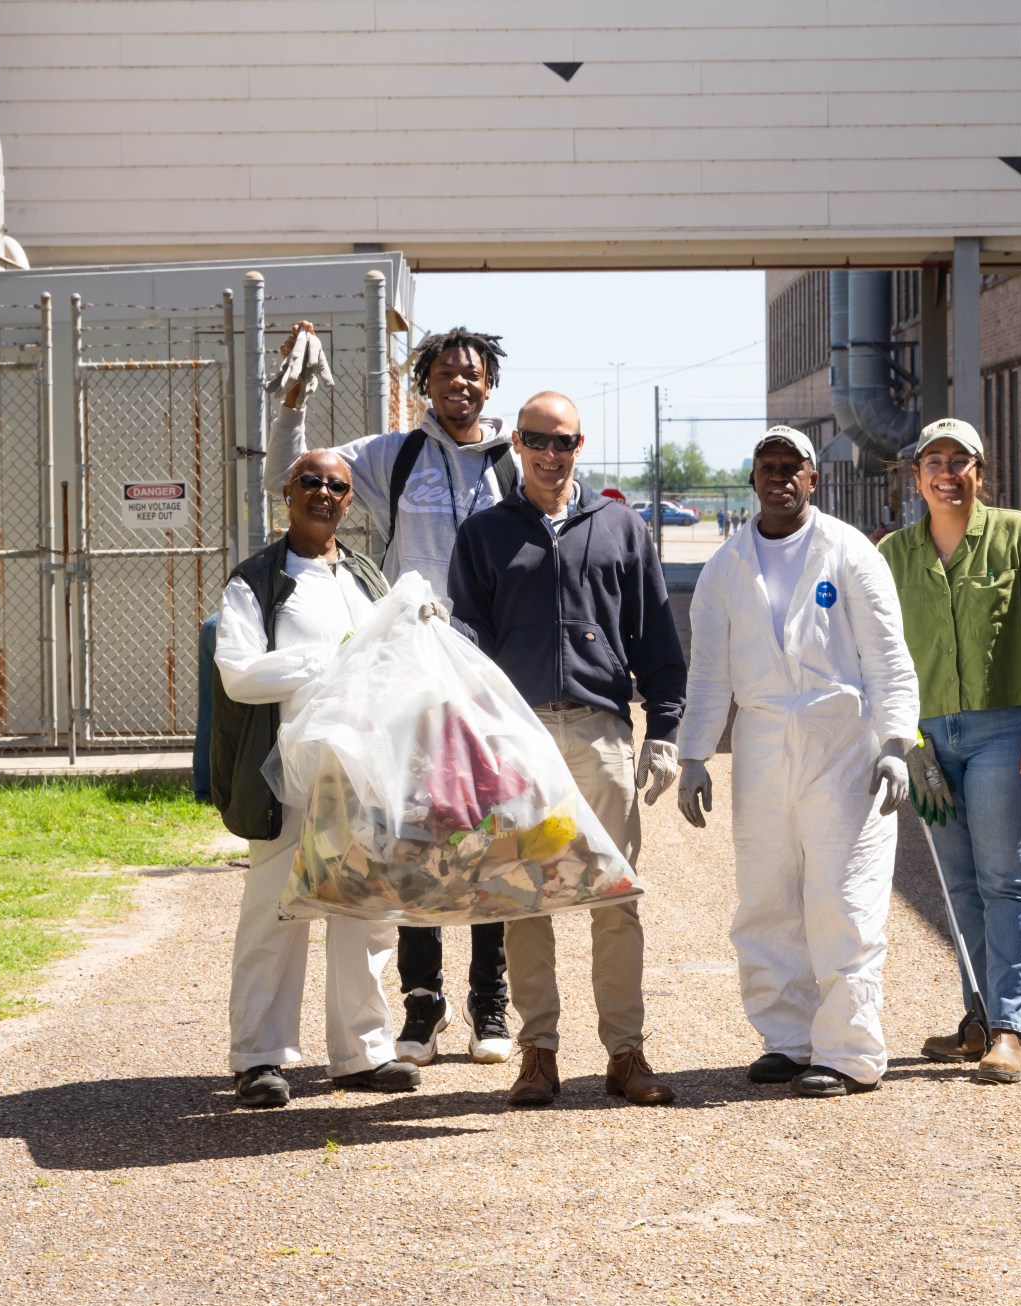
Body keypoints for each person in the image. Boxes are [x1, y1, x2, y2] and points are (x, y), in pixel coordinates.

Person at [269, 323, 515, 1067]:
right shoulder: (396, 455)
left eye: (473, 374)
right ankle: (424, 1004)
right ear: (425, 385)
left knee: (490, 838)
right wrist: (292, 407)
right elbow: (295, 473)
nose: (460, 385)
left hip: (488, 677)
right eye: (445, 374)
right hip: (410, 676)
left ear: (489, 385)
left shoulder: (513, 457)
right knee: (415, 837)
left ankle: (490, 1000)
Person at [448, 392, 688, 1109]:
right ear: (515, 445)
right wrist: (473, 744)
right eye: (537, 441)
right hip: (520, 740)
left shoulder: (619, 527)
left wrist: (666, 730)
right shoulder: (485, 534)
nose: (551, 455)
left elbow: (655, 636)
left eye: (565, 442)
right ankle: (539, 1054)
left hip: (600, 734)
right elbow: (468, 646)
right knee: (527, 895)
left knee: (615, 894)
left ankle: (624, 1051)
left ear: (582, 446)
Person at [674, 427, 919, 1098]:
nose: (780, 477)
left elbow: (887, 656)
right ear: (752, 479)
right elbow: (708, 672)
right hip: (761, 744)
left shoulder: (851, 554)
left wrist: (897, 743)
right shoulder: (726, 566)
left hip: (842, 741)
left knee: (843, 896)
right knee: (767, 895)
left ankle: (849, 1050)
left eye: (793, 467)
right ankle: (788, 1035)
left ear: (814, 479)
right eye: (768, 466)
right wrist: (695, 753)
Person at [213, 449, 425, 1107]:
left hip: (361, 776)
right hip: (287, 783)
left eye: (338, 485)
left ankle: (362, 1052)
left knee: (365, 910)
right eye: (312, 482)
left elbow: (398, 659)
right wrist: (326, 663)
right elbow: (239, 673)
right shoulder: (256, 582)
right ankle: (259, 1056)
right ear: (287, 491)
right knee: (277, 913)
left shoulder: (364, 577)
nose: (325, 494)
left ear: (350, 500)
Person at [879, 418, 1021, 1085]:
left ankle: (1008, 1029)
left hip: (1006, 733)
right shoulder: (894, 556)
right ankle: (976, 1015)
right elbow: (877, 656)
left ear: (979, 470)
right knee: (959, 883)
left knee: (1006, 876)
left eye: (959, 460)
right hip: (929, 738)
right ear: (915, 476)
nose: (946, 472)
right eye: (932, 461)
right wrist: (908, 744)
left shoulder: (1019, 534)